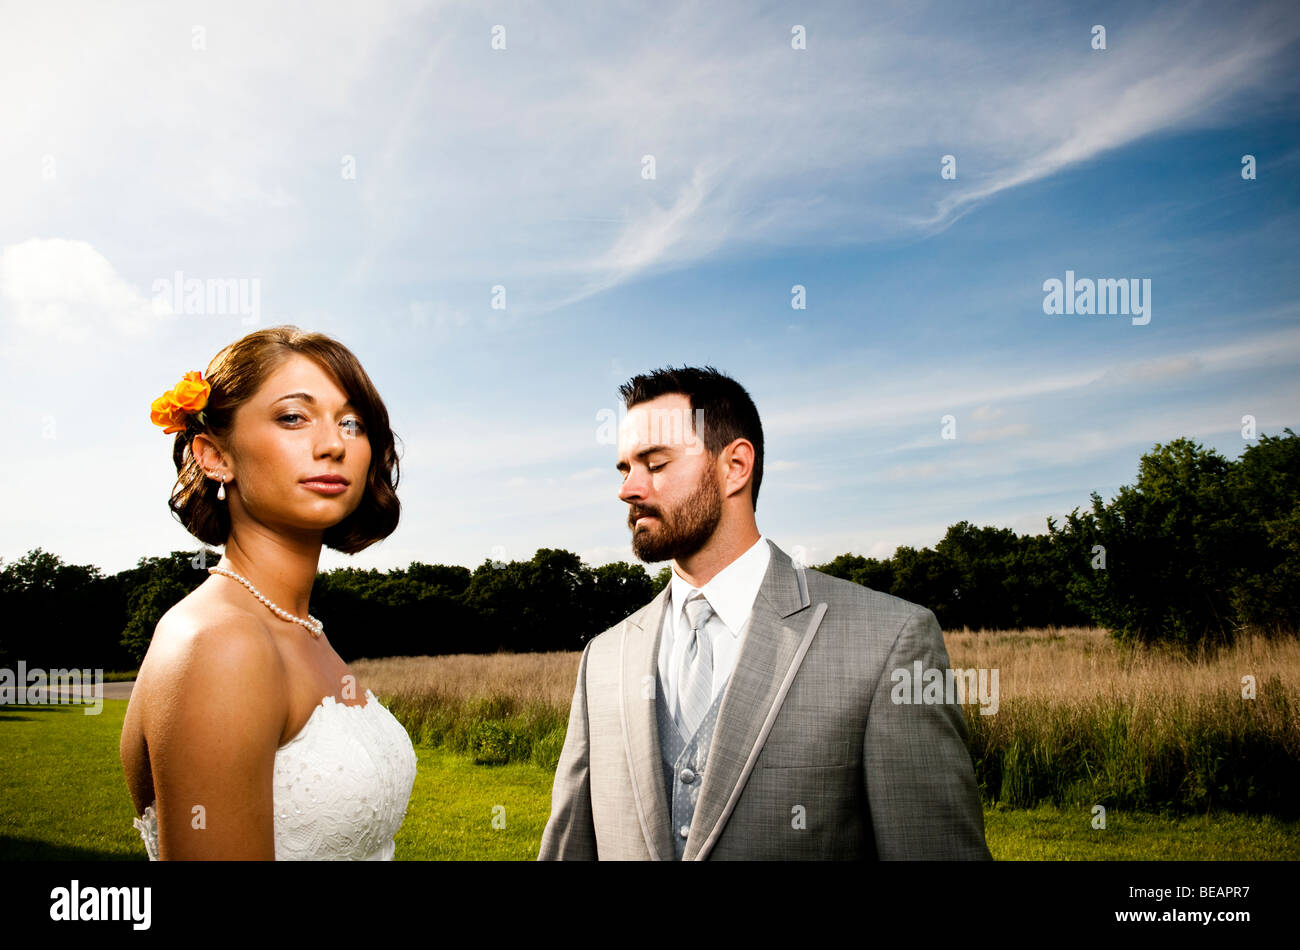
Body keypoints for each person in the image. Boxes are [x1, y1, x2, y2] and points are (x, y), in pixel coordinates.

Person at [539, 366, 992, 860]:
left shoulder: (891, 641)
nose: (628, 489)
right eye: (625, 468)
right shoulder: (603, 658)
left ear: (735, 466)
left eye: (656, 463)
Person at [120, 325, 417, 860]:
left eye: (352, 422)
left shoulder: (301, 628)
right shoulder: (218, 643)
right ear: (213, 455)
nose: (333, 445)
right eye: (292, 417)